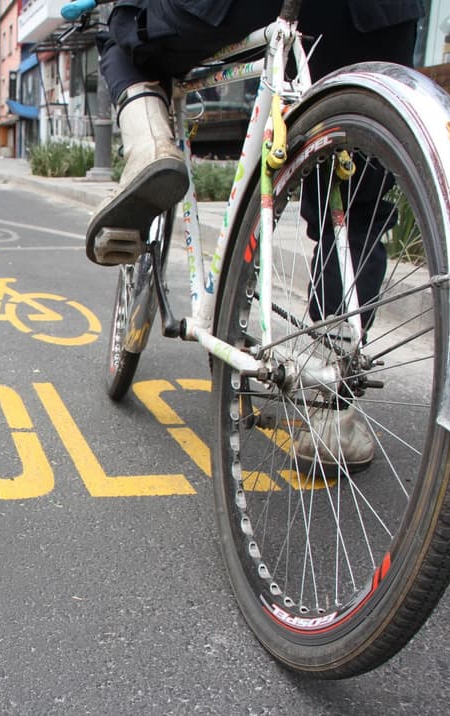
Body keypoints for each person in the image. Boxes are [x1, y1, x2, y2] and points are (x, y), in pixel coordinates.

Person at [87, 0, 425, 468]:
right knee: (353, 212)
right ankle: (334, 412)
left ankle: (150, 149)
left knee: (121, 36)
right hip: (374, 15)